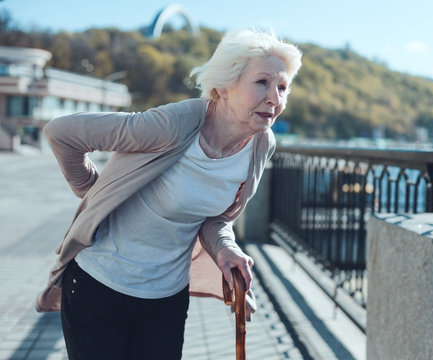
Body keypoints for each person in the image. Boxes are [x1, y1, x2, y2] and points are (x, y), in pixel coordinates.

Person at [35, 29, 302, 360]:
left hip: (166, 298)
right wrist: (92, 192)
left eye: (282, 87)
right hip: (100, 285)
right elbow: (62, 133)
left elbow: (215, 217)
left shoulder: (262, 144)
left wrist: (225, 249)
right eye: (262, 82)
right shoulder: (173, 125)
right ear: (224, 86)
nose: (275, 99)